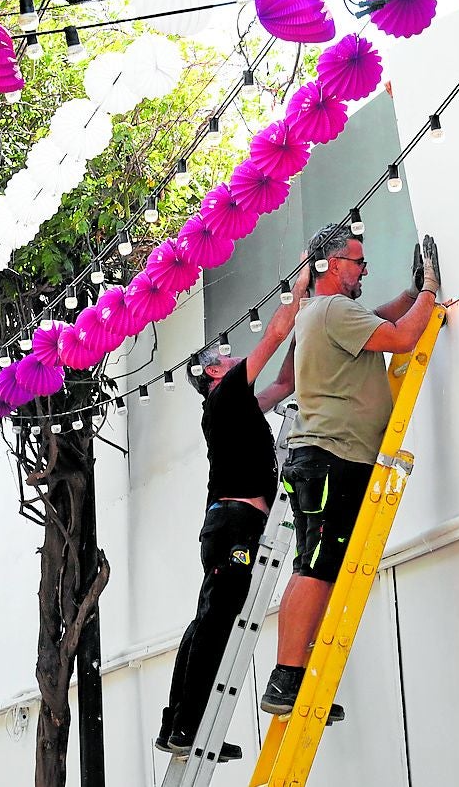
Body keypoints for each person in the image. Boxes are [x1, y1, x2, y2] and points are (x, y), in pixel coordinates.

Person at [260, 225, 441, 715]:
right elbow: (403, 337)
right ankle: (285, 679)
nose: (364, 270)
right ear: (332, 265)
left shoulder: (329, 315)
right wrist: (429, 292)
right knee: (314, 569)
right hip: (331, 459)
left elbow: (381, 320)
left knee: (320, 567)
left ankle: (296, 679)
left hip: (330, 458)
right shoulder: (332, 309)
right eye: (358, 262)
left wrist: (408, 293)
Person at [156, 259, 310, 762]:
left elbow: (285, 382)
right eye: (224, 355)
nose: (234, 353)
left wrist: (303, 322)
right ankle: (186, 728)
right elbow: (275, 334)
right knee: (216, 622)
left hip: (233, 524)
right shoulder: (224, 399)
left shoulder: (239, 407)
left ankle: (176, 726)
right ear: (214, 374)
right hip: (234, 525)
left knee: (209, 619)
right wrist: (306, 276)